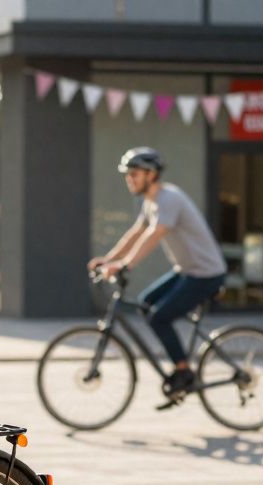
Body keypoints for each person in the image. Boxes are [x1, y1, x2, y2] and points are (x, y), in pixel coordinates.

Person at [90, 147, 227, 397]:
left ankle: (183, 371)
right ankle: (180, 362)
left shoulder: (169, 199)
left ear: (151, 175)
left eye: (134, 174)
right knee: (145, 303)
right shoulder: (150, 202)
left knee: (159, 318)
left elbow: (155, 233)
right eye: (127, 174)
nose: (129, 179)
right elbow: (136, 232)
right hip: (187, 270)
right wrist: (109, 259)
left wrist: (125, 264)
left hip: (206, 273)